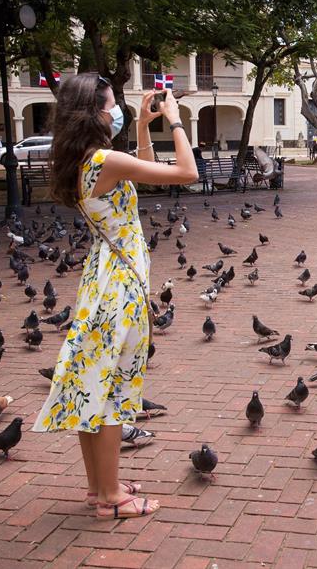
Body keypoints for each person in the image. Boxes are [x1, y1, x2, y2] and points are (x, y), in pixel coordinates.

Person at [33, 73, 198, 520]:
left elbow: (144, 176)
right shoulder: (106, 159)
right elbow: (186, 173)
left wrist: (143, 127)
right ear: (94, 113)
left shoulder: (83, 159)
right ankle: (111, 498)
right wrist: (175, 120)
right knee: (111, 389)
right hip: (119, 284)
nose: (115, 113)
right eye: (111, 107)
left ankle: (100, 487)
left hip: (103, 275)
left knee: (94, 385)